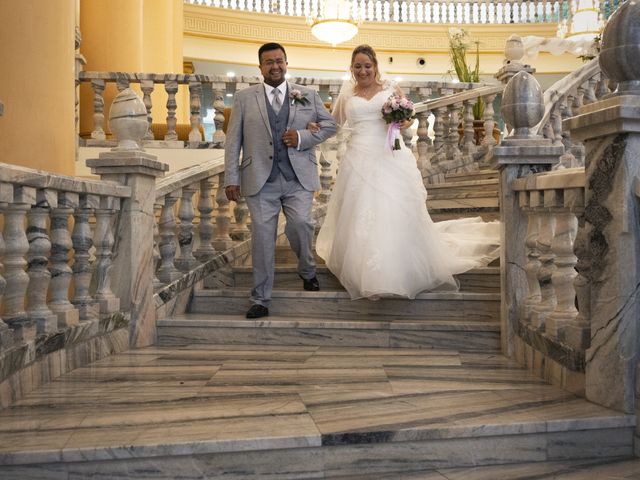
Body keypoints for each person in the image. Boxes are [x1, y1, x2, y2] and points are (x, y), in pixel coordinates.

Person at [315, 44, 500, 300]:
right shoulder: (347, 95)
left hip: (388, 155)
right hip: (357, 159)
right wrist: (311, 125)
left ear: (375, 66)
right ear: (352, 68)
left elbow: (409, 116)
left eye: (367, 65)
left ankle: (394, 270)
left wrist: (405, 121)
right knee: (360, 210)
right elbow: (333, 123)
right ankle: (362, 272)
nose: (363, 70)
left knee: (390, 209)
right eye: (358, 66)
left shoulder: (389, 88)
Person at [225, 42, 338, 318]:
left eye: (279, 61)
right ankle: (261, 299)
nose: (275, 66)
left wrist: (302, 137)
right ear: (260, 67)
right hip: (259, 180)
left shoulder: (307, 95)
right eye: (269, 62)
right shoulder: (244, 98)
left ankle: (307, 269)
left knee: (301, 224)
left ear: (286, 63)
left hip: (297, 177)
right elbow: (233, 141)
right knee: (263, 238)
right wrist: (231, 177)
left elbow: (331, 126)